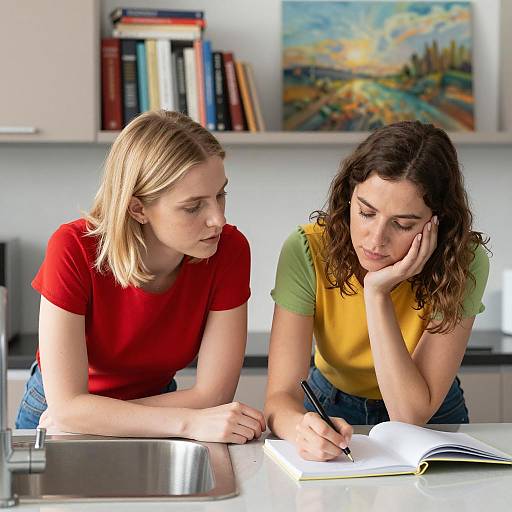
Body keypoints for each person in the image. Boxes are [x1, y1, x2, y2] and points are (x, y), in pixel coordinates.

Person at [16, 110, 266, 443]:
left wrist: (90, 417)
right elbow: (65, 407)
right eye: (194, 206)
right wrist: (188, 422)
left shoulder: (229, 250)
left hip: (158, 409)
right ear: (138, 209)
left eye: (220, 195)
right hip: (54, 417)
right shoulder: (73, 248)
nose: (218, 219)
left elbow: (214, 395)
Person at [264, 121, 490, 461]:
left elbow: (410, 414)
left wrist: (376, 293)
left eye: (403, 224)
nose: (374, 240)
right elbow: (280, 396)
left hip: (432, 415)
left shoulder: (463, 262)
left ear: (437, 222)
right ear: (347, 197)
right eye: (366, 213)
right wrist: (300, 429)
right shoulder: (308, 249)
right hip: (331, 407)